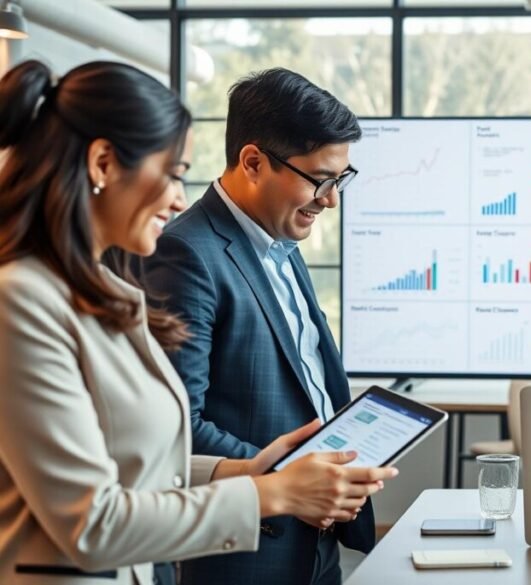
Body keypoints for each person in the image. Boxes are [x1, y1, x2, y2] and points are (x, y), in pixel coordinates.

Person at [0, 60, 397, 585]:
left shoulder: (101, 293)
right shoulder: (21, 301)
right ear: (102, 164)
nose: (179, 198)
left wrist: (253, 468)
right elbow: (91, 522)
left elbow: (137, 463)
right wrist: (272, 491)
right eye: (171, 175)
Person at [138, 68, 374, 585]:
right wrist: (293, 477)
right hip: (248, 548)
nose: (332, 199)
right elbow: (178, 426)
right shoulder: (185, 253)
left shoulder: (282, 244)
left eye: (341, 179)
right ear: (253, 162)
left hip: (315, 540)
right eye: (320, 179)